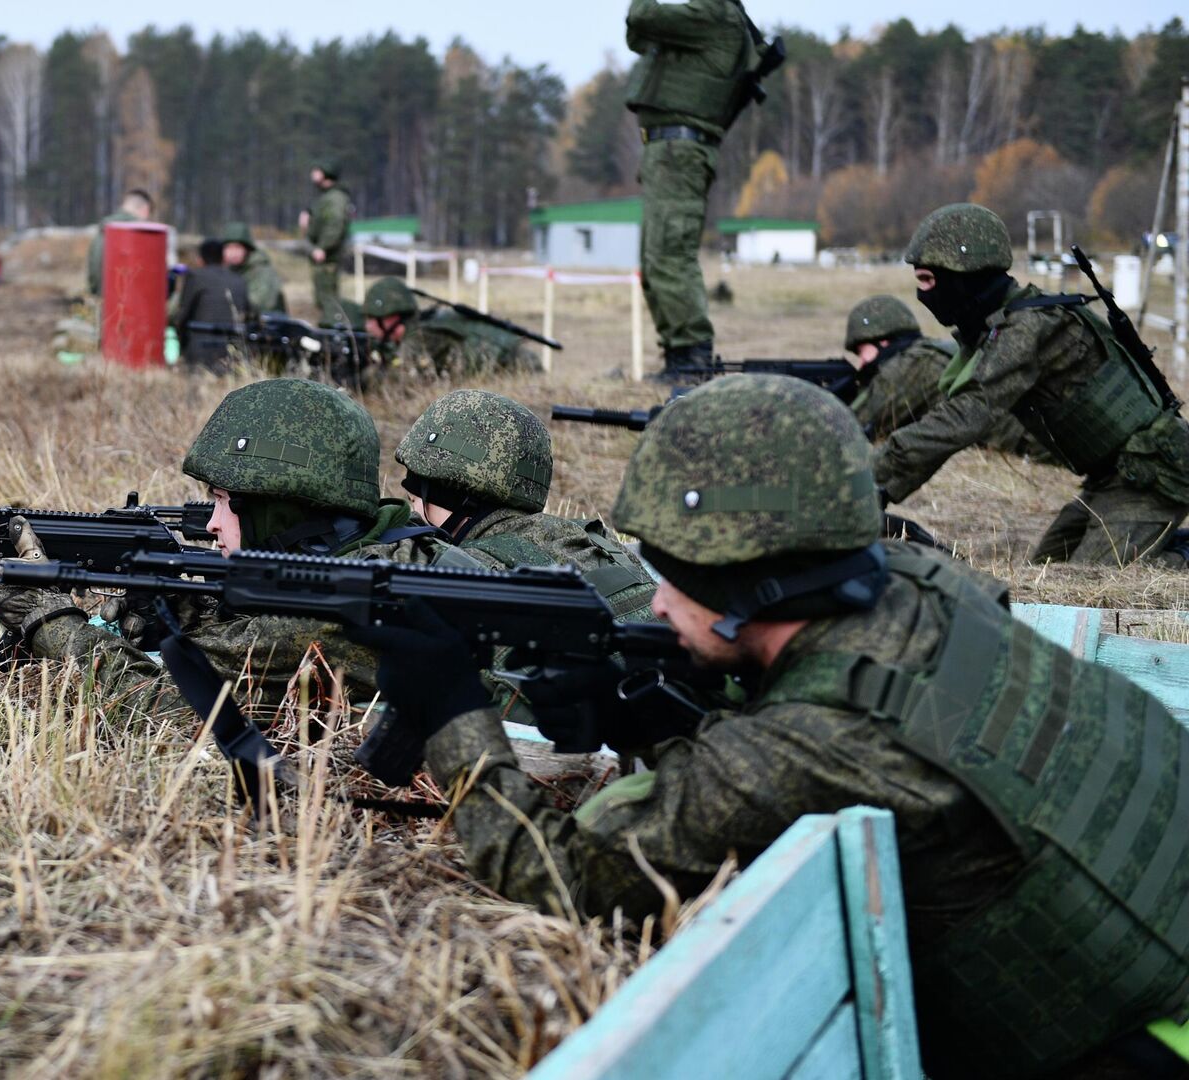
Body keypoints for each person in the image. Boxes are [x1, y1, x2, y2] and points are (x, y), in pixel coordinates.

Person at [356, 374, 1189, 1079]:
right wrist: (656, 716)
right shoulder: (925, 582)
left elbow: (557, 879)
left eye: (675, 576)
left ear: (745, 582)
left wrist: (454, 712)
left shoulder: (810, 742)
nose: (655, 603)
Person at [0, 378, 484, 719]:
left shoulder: (339, 602)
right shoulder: (383, 551)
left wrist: (47, 617)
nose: (215, 525)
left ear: (284, 513)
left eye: (227, 503)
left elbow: (163, 707)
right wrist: (196, 615)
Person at [878, 203, 1189, 567]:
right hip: (1112, 479)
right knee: (1046, 570)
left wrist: (868, 478)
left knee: (1085, 585)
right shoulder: (1006, 322)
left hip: (1153, 474)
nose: (923, 294)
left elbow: (967, 416)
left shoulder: (1027, 327)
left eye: (928, 281)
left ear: (964, 276)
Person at [395, 389, 656, 621]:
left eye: (413, 500)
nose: (413, 515)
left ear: (454, 497)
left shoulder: (474, 571)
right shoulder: (592, 541)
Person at [624, 0, 756, 378]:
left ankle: (693, 359)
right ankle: (678, 358)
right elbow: (638, 35)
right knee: (655, 259)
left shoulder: (715, 13)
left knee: (670, 253)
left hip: (679, 151)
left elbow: (642, 15)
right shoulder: (695, 20)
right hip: (666, 151)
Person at [843, 294, 1037, 452]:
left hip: (1033, 442)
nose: (861, 363)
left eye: (861, 352)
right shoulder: (932, 351)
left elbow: (850, 428)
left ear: (883, 341)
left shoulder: (910, 364)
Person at [361, 279, 530, 375]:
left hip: (521, 368)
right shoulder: (420, 327)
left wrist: (362, 377)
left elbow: (402, 383)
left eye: (372, 319)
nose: (367, 326)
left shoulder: (421, 337)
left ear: (392, 318)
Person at [168, 239, 251, 373]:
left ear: (201, 259)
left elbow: (182, 316)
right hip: (232, 355)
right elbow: (248, 314)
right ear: (223, 258)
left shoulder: (195, 276)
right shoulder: (239, 279)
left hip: (199, 354)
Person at [300, 164, 354, 324]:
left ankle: (333, 331)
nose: (313, 174)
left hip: (326, 257)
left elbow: (335, 225)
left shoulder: (335, 198)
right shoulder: (326, 197)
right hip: (322, 256)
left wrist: (322, 247)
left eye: (317, 171)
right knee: (323, 298)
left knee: (328, 298)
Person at [86, 188, 155, 298]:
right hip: (132, 304)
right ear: (145, 210)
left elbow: (93, 276)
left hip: (104, 304)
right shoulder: (141, 234)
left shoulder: (102, 231)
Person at [219, 222, 286, 316]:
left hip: (269, 324)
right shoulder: (228, 270)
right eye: (228, 248)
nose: (232, 253)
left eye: (237, 247)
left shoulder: (262, 270)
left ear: (247, 249)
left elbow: (262, 303)